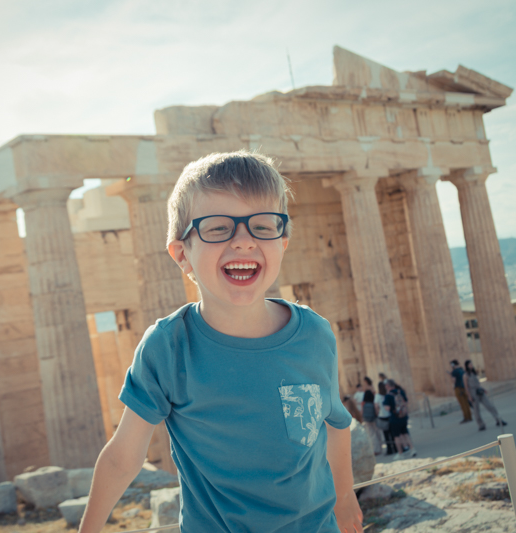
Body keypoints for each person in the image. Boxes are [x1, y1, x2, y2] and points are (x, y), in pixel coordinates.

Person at [78, 151, 363, 533]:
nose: (244, 241)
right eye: (217, 228)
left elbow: (335, 424)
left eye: (262, 225)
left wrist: (345, 501)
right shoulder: (169, 346)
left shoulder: (314, 334)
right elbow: (122, 458)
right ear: (183, 254)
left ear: (283, 242)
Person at [463, 360, 507, 431]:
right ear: (467, 366)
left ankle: (498, 420)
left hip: (480, 391)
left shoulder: (474, 373)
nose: (471, 365)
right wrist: (469, 397)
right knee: (476, 410)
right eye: (470, 364)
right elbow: (466, 387)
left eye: (471, 364)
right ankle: (481, 425)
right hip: (473, 393)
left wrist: (483, 389)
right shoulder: (465, 375)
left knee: (490, 405)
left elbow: (478, 383)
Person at [383, 379, 415, 459]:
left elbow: (387, 408)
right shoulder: (400, 392)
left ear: (387, 386)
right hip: (403, 416)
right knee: (405, 433)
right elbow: (406, 402)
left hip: (395, 418)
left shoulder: (388, 395)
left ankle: (400, 453)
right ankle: (412, 449)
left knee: (396, 436)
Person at [361, 377, 382, 455]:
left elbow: (362, 408)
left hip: (367, 418)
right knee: (377, 433)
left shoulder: (364, 401)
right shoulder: (373, 396)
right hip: (374, 416)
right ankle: (380, 448)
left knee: (372, 434)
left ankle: (376, 449)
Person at [376, 381, 396, 455]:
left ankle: (389, 449)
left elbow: (376, 406)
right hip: (389, 415)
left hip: (382, 416)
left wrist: (378, 413)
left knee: (386, 435)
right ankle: (395, 448)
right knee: (392, 433)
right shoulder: (388, 394)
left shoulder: (378, 396)